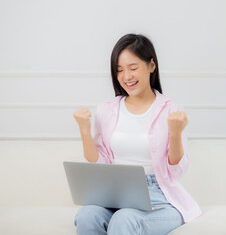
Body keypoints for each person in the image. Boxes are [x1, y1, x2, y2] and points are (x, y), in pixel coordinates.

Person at [72, 33, 202, 235]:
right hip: (115, 192)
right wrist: (84, 132)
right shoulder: (106, 110)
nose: (126, 77)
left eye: (133, 68)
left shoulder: (170, 109)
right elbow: (100, 164)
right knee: (86, 216)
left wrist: (175, 134)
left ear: (151, 65)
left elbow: (176, 173)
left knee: (125, 219)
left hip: (159, 195)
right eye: (119, 70)